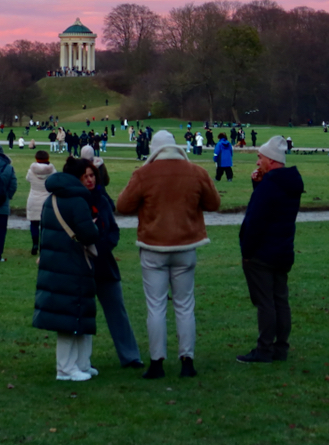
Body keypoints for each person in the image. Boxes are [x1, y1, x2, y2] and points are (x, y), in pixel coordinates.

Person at [116, 131, 221, 379]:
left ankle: (157, 362)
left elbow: (122, 205)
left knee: (156, 307)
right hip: (186, 246)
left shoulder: (144, 174)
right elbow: (214, 203)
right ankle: (187, 360)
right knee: (185, 306)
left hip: (154, 247)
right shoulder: (196, 172)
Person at [33, 157, 101, 381]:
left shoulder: (50, 199)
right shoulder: (77, 201)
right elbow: (88, 234)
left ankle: (80, 363)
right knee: (70, 318)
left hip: (56, 262)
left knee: (76, 314)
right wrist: (94, 226)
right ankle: (65, 368)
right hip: (73, 262)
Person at [236, 137, 303, 363]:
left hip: (262, 254)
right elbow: (276, 209)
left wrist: (246, 251)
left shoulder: (270, 186)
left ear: (271, 161)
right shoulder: (289, 183)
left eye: (260, 158)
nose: (257, 162)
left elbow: (256, 220)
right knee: (280, 300)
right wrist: (260, 185)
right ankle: (280, 347)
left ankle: (264, 349)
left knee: (265, 303)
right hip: (283, 250)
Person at [77, 152, 143, 369]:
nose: (90, 179)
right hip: (82, 265)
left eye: (92, 175)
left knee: (117, 311)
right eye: (85, 176)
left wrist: (102, 247)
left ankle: (130, 356)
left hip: (104, 263)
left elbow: (113, 231)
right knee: (81, 313)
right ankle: (79, 361)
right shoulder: (74, 202)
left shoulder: (103, 199)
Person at [24, 151, 56, 256]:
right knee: (45, 226)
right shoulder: (52, 171)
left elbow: (28, 179)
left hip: (34, 198)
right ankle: (43, 246)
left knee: (33, 224)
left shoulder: (31, 171)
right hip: (47, 200)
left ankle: (35, 244)